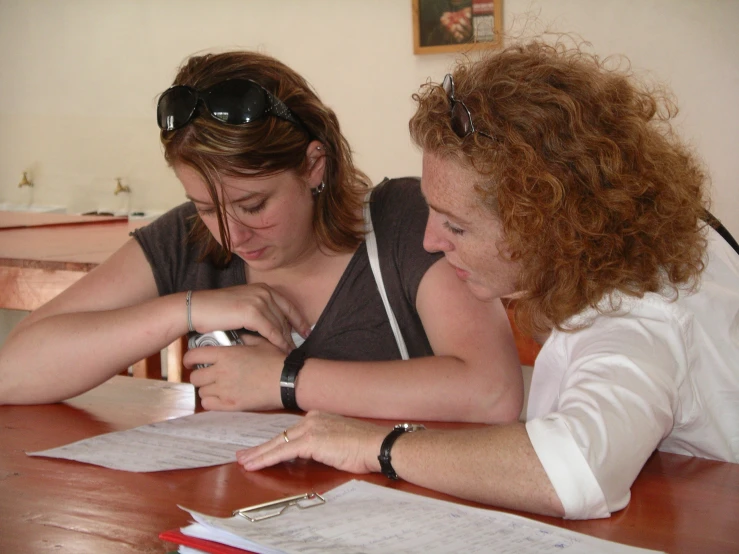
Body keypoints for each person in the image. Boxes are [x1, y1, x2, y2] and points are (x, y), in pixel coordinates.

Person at [237, 39, 739, 520]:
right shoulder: (661, 232)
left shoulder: (639, 311)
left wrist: (375, 444)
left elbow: (571, 472)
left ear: (543, 225)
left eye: (456, 225)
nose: (431, 241)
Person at [0, 51, 523, 425]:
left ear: (315, 166)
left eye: (254, 205)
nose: (231, 234)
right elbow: (13, 370)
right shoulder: (187, 239)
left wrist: (284, 381)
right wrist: (185, 310)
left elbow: (492, 392)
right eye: (207, 207)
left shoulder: (406, 222)